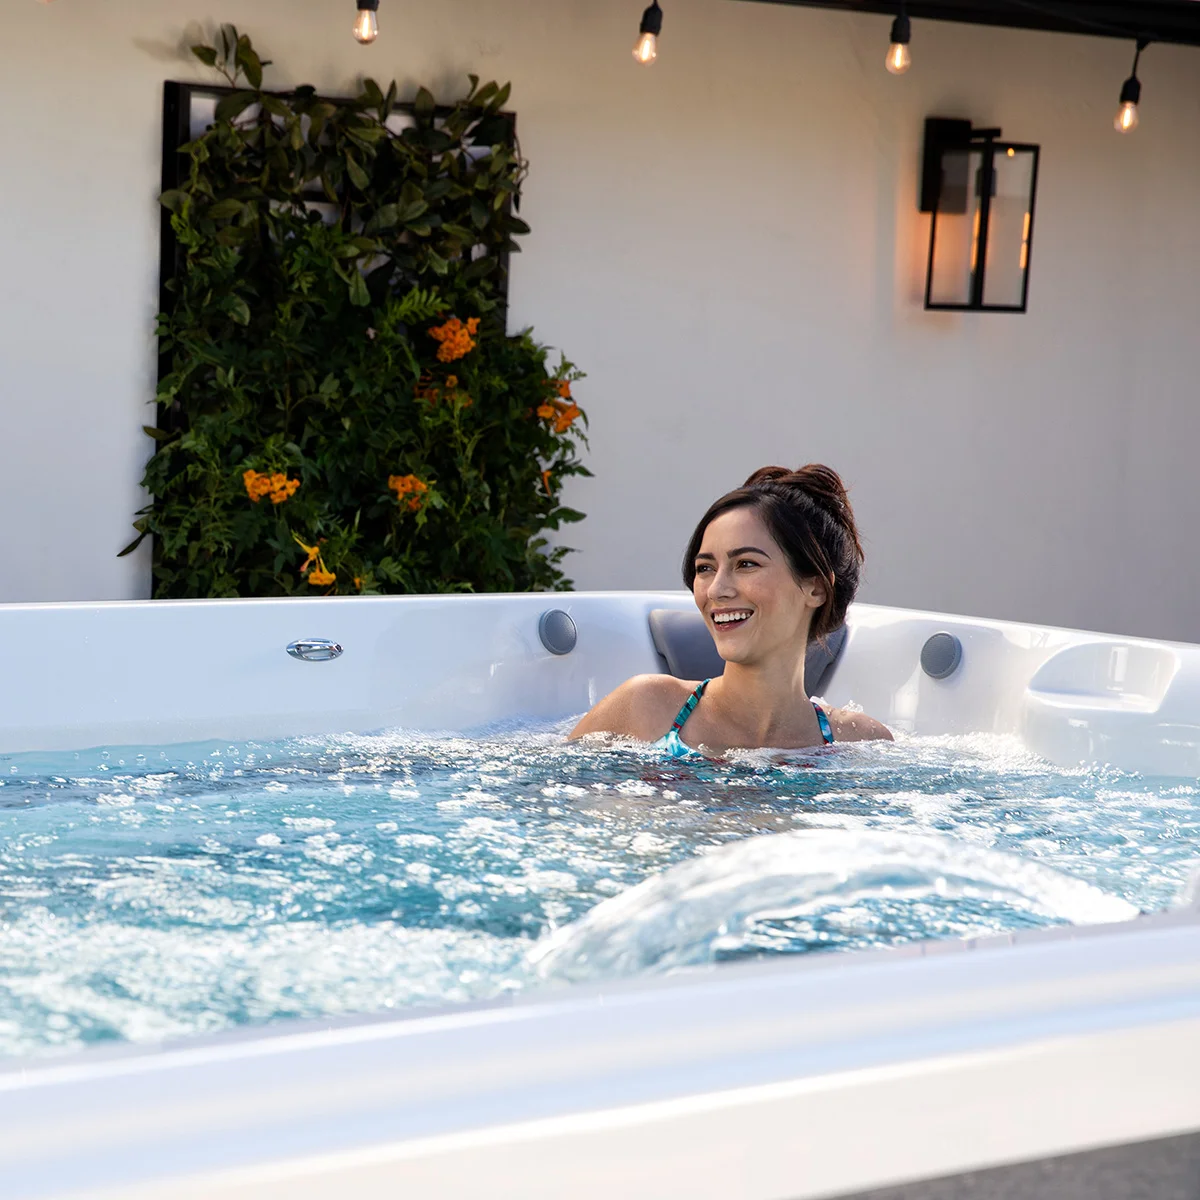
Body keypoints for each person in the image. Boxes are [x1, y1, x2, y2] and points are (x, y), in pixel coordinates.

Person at [570, 464, 893, 755]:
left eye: (746, 564)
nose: (716, 590)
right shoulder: (646, 708)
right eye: (705, 568)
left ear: (816, 588)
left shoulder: (859, 743)